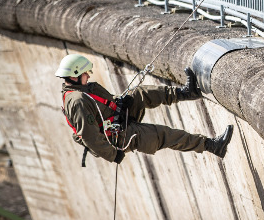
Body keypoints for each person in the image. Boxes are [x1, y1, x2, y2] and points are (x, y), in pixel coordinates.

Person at [56, 54, 233, 166]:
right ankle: (212, 146)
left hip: (117, 119)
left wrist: (120, 103)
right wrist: (113, 155)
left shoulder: (84, 90)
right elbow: (89, 136)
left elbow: (102, 106)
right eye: (85, 73)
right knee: (161, 134)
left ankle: (186, 93)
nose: (88, 76)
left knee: (138, 94)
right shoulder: (77, 100)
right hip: (117, 137)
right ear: (75, 75)